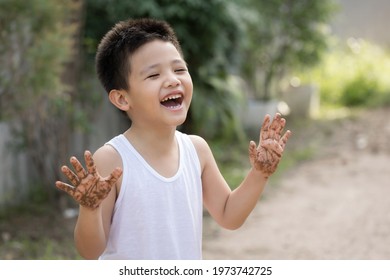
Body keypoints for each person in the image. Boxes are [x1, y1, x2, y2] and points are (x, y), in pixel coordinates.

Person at [55, 18, 291, 260]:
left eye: (179, 69)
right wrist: (90, 208)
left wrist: (260, 173)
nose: (172, 80)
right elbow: (90, 251)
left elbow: (228, 215)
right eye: (153, 75)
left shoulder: (197, 150)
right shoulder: (112, 159)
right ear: (122, 99)